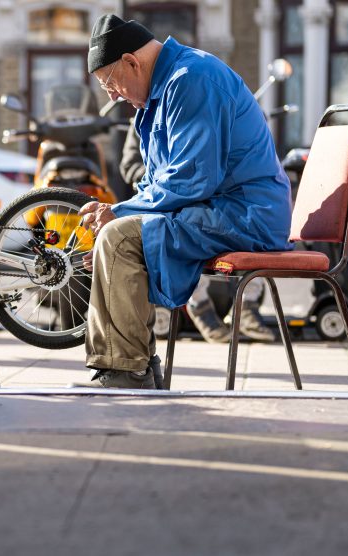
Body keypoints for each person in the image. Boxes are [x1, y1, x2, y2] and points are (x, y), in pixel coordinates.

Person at [76, 14, 291, 389]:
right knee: (119, 234)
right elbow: (158, 178)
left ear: (131, 62)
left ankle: (126, 371)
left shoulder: (192, 80)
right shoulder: (166, 87)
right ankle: (134, 366)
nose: (112, 96)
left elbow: (192, 178)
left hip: (247, 214)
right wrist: (123, 209)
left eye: (110, 83)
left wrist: (122, 211)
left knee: (120, 238)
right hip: (222, 208)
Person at [119, 125, 276, 344]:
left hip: (218, 199)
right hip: (163, 195)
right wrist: (157, 178)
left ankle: (247, 304)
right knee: (184, 233)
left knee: (232, 223)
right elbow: (129, 165)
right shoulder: (142, 120)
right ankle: (199, 305)